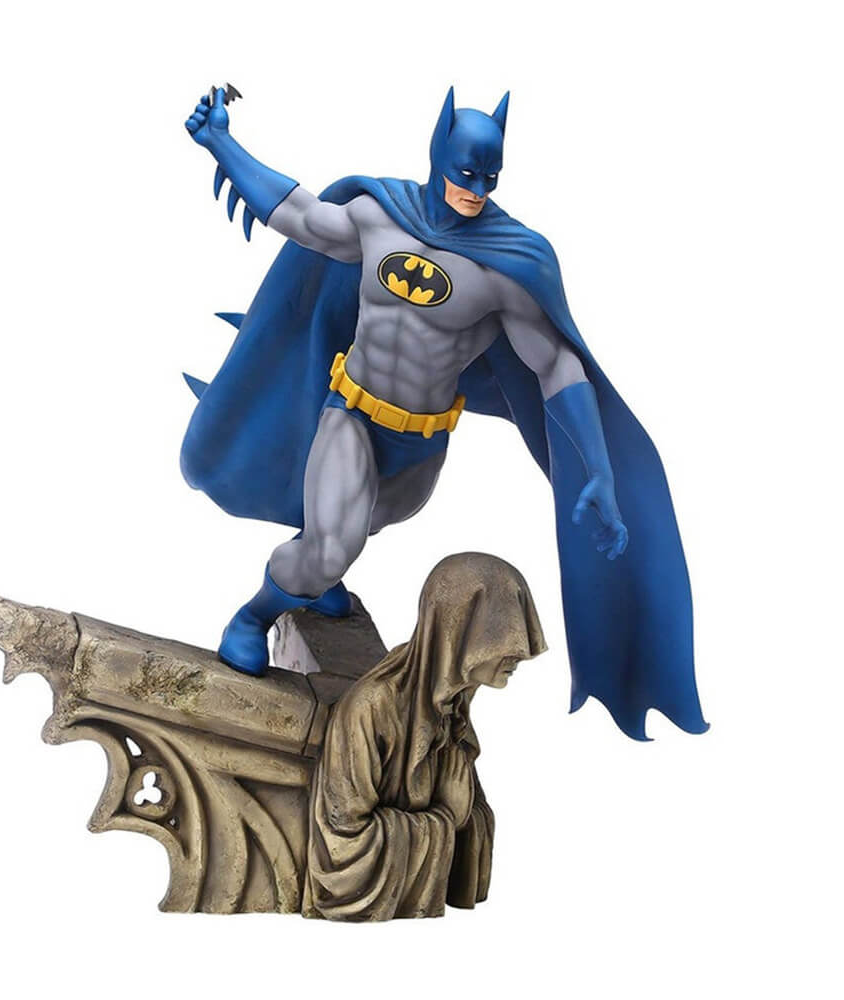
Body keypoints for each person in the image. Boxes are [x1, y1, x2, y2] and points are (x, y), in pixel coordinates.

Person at [180, 86, 707, 741]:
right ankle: (255, 616)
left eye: (488, 178)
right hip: (351, 414)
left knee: (357, 528)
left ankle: (317, 570)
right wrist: (220, 142)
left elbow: (556, 365)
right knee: (330, 546)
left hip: (422, 446)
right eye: (465, 174)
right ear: (439, 158)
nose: (475, 190)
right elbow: (302, 216)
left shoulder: (507, 263)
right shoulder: (381, 216)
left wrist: (597, 467)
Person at [303, 553, 546, 921]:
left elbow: (471, 813)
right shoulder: (371, 710)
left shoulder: (451, 711)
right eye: (502, 634)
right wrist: (446, 817)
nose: (522, 653)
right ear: (461, 634)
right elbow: (341, 847)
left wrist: (461, 818)